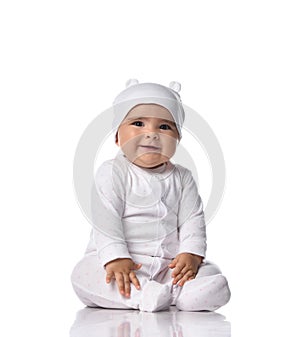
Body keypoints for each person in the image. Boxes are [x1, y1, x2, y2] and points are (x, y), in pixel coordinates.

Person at [71, 79, 231, 312]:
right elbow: (107, 221)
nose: (152, 134)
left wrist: (191, 253)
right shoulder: (112, 172)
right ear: (117, 137)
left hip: (170, 266)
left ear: (177, 139)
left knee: (208, 272)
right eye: (138, 123)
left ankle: (185, 292)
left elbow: (192, 219)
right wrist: (115, 258)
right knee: (83, 274)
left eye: (165, 127)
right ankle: (145, 295)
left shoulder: (182, 177)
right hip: (123, 265)